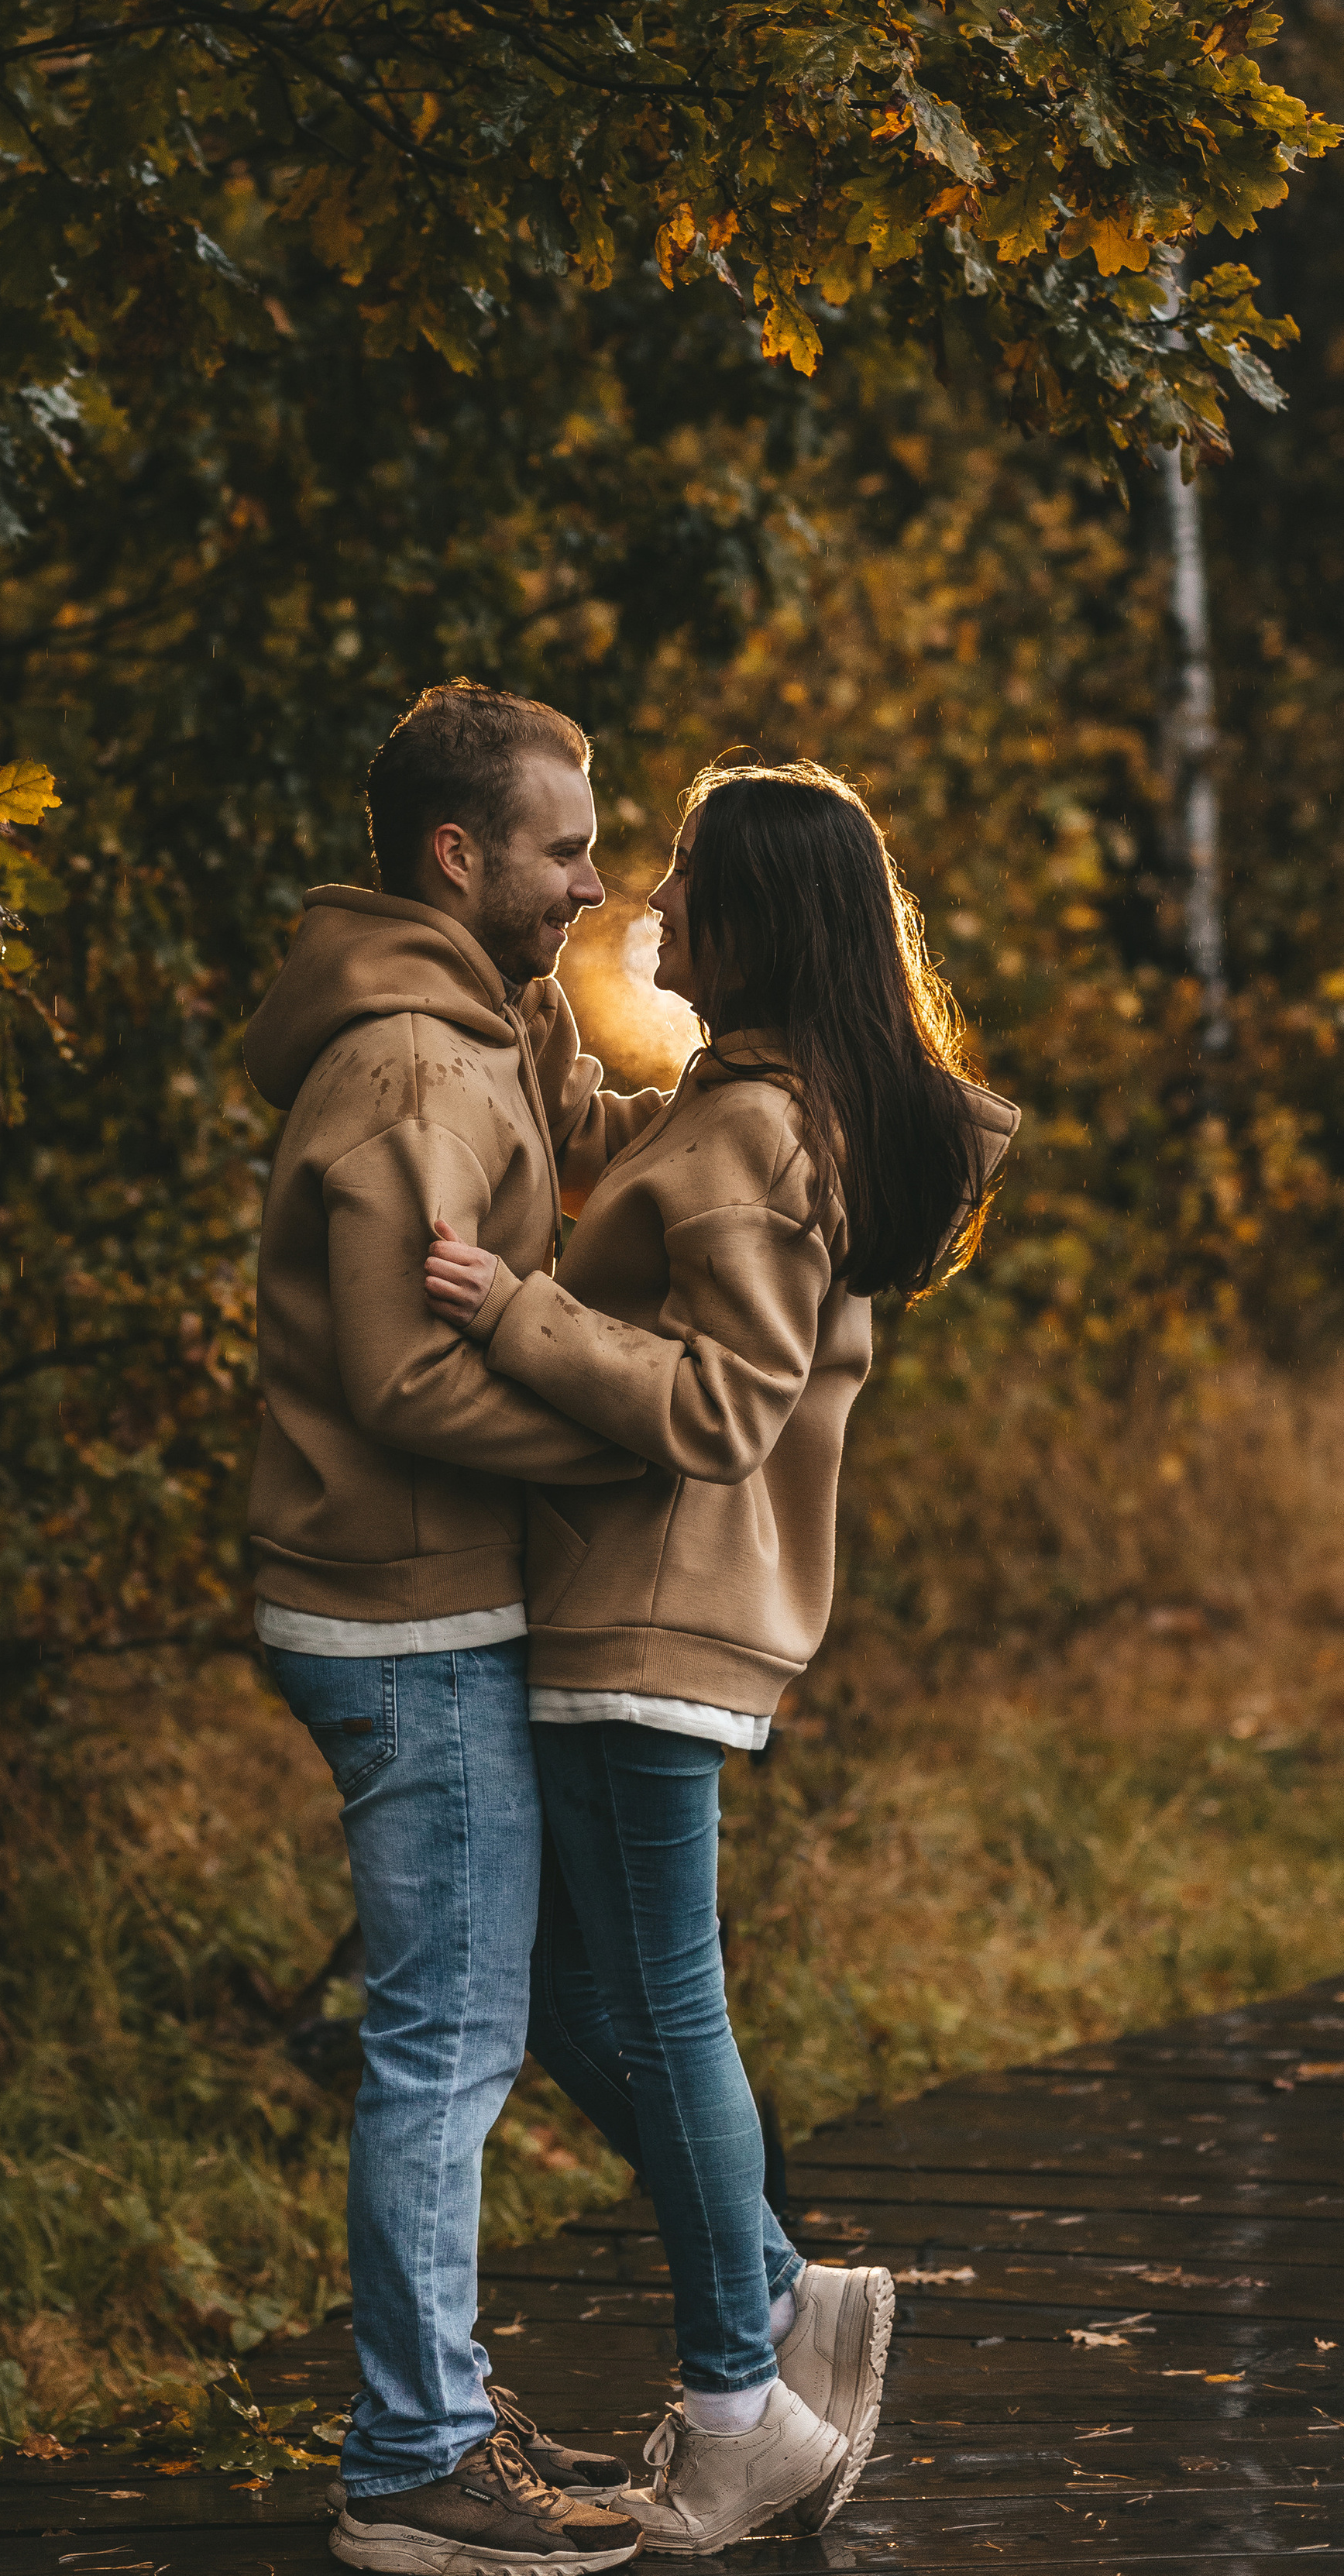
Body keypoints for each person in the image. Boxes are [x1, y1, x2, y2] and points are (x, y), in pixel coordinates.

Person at [425, 757, 1019, 2558]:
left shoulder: (762, 1134)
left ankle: (733, 2395)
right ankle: (771, 2295)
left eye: (681, 882)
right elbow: (609, 1160)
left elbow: (723, 1401)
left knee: (653, 1999)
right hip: (640, 1606)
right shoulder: (740, 1105)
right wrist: (521, 1012)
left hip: (647, 1605)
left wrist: (516, 1311)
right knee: (562, 1995)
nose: (646, 908)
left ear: (757, 917)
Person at [245, 680, 668, 2576]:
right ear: (455, 854)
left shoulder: (476, 1023)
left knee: (463, 2032)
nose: (590, 880)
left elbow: (607, 1145)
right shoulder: (416, 1067)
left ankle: (437, 2404)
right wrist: (622, 1442)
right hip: (408, 1615)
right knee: (446, 2047)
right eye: (564, 848)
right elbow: (403, 1377)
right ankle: (414, 2458)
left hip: (423, 1596)